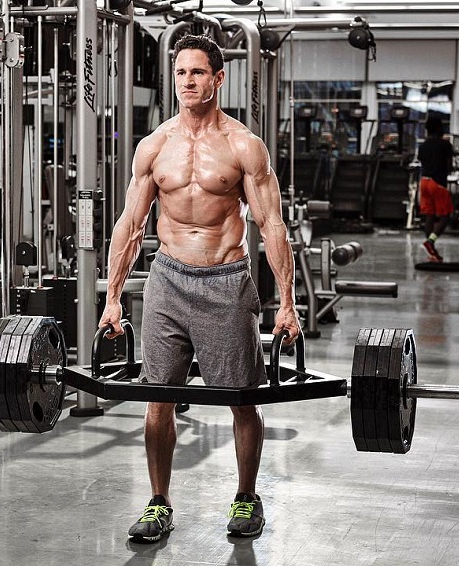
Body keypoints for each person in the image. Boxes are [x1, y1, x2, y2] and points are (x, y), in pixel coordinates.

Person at [98, 34, 301, 542]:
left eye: (197, 73)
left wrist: (289, 304)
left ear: (218, 78)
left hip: (225, 281)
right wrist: (112, 296)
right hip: (167, 279)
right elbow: (130, 224)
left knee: (241, 398)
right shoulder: (155, 145)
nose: (187, 82)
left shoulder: (242, 146)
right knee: (158, 396)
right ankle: (158, 503)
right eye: (180, 72)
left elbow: (272, 225)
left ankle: (246, 497)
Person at [417, 116, 454, 262]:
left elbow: (423, 161)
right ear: (439, 128)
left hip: (424, 182)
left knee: (430, 216)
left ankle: (432, 252)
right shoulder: (445, 144)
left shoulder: (424, 145)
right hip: (437, 183)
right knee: (446, 215)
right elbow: (449, 166)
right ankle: (431, 241)